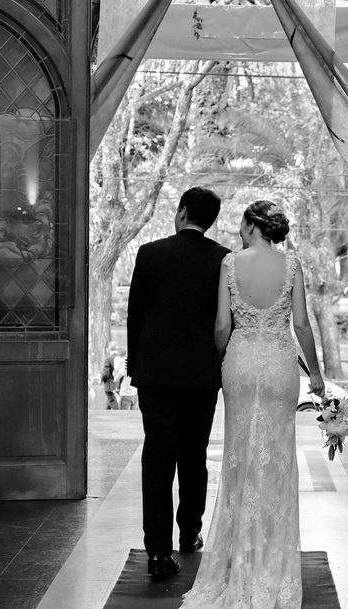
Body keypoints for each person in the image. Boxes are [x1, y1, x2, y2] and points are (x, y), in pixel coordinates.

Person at [161, 200, 325, 609]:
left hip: (240, 364)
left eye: (242, 223)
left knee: (239, 460)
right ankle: (270, 566)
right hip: (277, 367)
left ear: (253, 226)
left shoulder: (230, 263)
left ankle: (236, 563)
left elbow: (220, 325)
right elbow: (301, 325)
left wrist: (223, 356)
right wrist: (314, 373)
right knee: (276, 462)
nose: (237, 230)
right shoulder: (291, 264)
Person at [127, 186, 231, 581]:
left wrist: (136, 365)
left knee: (157, 459)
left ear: (182, 211)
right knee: (194, 457)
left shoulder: (150, 253)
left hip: (154, 375)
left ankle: (157, 551)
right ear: (211, 220)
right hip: (202, 376)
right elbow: (226, 322)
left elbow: (135, 315)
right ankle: (190, 534)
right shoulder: (223, 259)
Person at [99, 342, 120, 410]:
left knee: (111, 398)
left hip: (109, 383)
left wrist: (101, 379)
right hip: (117, 382)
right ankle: (106, 411)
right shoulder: (120, 357)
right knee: (109, 399)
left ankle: (118, 413)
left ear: (109, 349)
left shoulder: (108, 358)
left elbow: (105, 372)